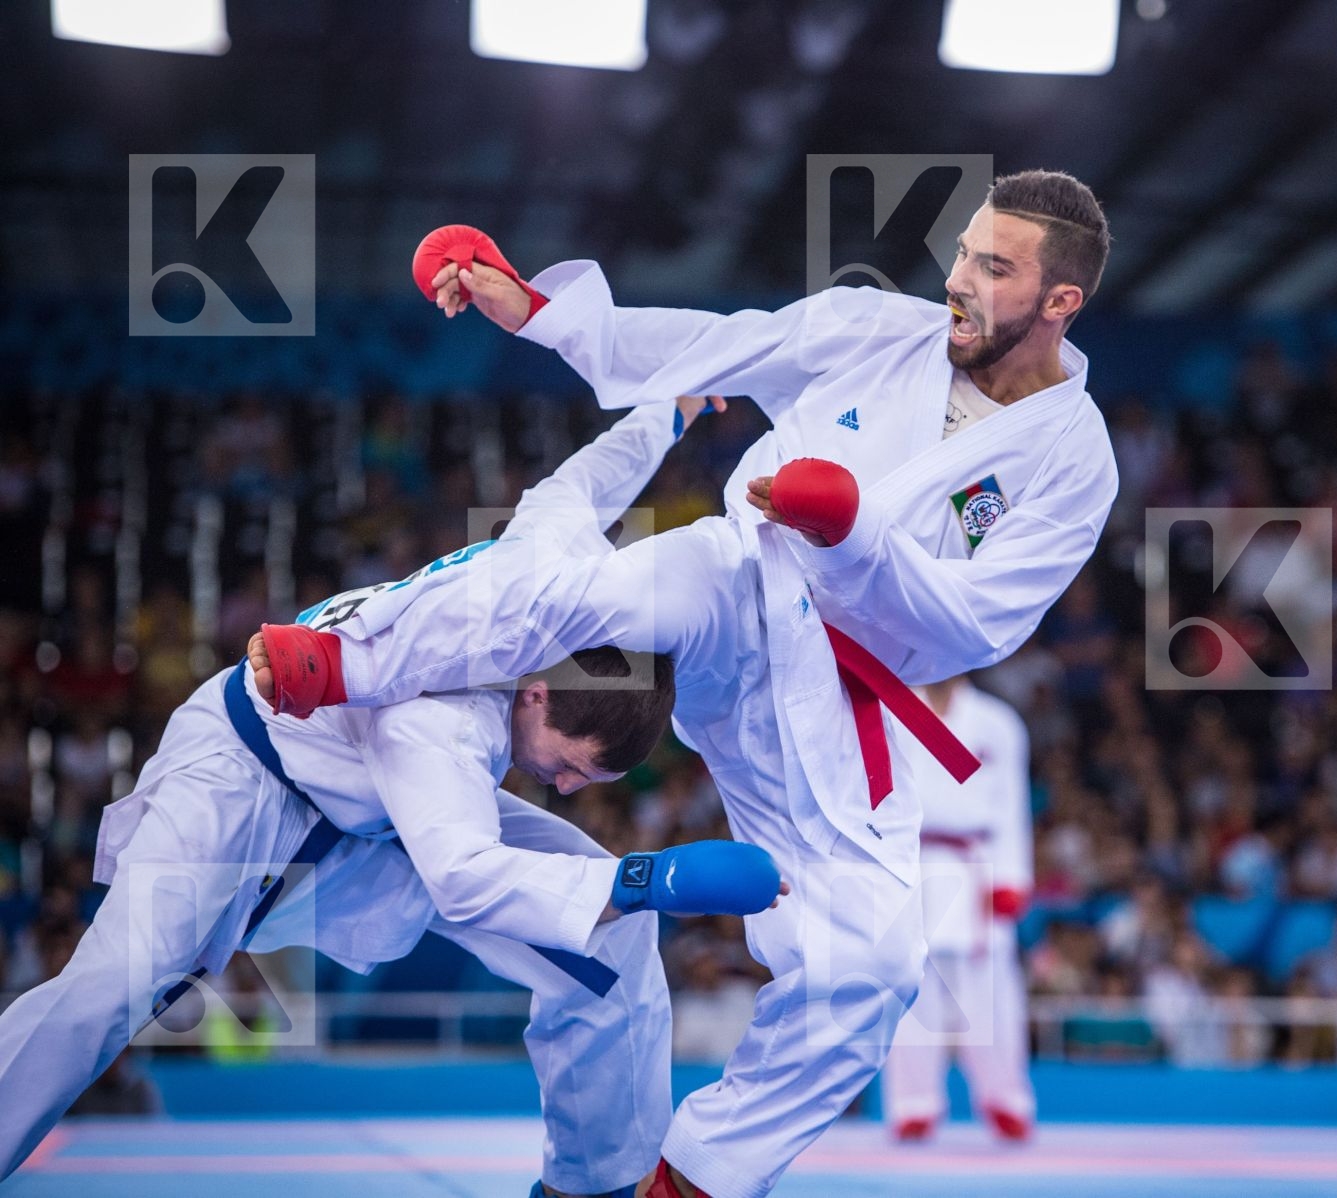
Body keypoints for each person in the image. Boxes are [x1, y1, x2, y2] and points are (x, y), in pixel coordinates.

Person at [255, 169, 1117, 1198]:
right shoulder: (881, 329)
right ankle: (344, 660)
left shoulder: (1074, 461)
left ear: (1061, 300)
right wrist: (541, 314)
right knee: (583, 590)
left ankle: (697, 1176)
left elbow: (978, 622)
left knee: (875, 966)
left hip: (839, 696)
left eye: (994, 266)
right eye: (965, 250)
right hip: (737, 578)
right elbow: (720, 344)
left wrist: (853, 533)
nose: (960, 278)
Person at [0, 399, 784, 1198]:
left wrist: (665, 414)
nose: (568, 788)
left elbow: (583, 482)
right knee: (110, 991)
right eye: (572, 766)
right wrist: (646, 877)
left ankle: (592, 1186)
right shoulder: (445, 722)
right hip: (239, 791)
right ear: (538, 693)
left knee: (611, 942)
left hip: (367, 819)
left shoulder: (548, 573)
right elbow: (463, 875)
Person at [879, 675, 1036, 1143]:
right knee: (909, 989)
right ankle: (913, 1102)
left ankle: (1006, 1097)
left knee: (992, 992)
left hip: (977, 866)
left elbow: (1013, 804)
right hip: (911, 861)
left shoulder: (996, 722)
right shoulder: (891, 712)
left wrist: (1012, 876)